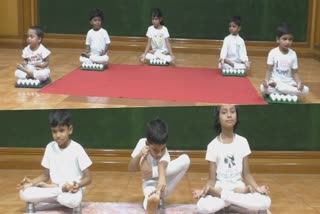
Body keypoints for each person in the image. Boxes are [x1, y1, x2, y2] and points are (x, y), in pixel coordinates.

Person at [193, 105, 271, 214]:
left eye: (232, 111)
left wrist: (257, 188)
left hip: (238, 189)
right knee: (203, 207)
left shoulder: (243, 142)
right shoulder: (212, 146)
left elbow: (247, 175)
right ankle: (232, 202)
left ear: (236, 115)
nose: (229, 115)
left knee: (266, 202)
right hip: (220, 188)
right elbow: (211, 179)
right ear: (218, 118)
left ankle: (226, 200)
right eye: (224, 112)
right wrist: (204, 190)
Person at [17, 110, 92, 213]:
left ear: (70, 130)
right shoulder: (50, 147)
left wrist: (77, 185)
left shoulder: (77, 148)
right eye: (54, 131)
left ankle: (59, 193)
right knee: (24, 192)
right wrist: (31, 183)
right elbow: (45, 176)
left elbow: (88, 178)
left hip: (71, 191)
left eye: (61, 130)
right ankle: (57, 191)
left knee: (72, 200)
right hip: (55, 189)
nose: (57, 135)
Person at [128, 118, 190, 214]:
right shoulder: (142, 143)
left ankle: (158, 197)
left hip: (165, 184)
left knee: (185, 159)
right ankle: (155, 199)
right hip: (149, 185)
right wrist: (140, 154)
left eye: (163, 149)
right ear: (147, 144)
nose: (160, 153)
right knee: (150, 198)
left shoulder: (163, 149)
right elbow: (131, 168)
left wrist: (160, 177)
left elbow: (162, 164)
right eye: (155, 150)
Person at [260, 23, 309, 96]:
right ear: (277, 39)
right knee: (262, 88)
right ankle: (286, 91)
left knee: (306, 90)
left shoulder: (293, 54)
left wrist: (299, 83)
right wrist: (266, 81)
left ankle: (280, 89)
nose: (287, 42)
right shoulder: (272, 52)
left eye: (290, 39)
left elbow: (295, 73)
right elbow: (269, 70)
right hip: (275, 81)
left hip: (289, 83)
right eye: (284, 39)